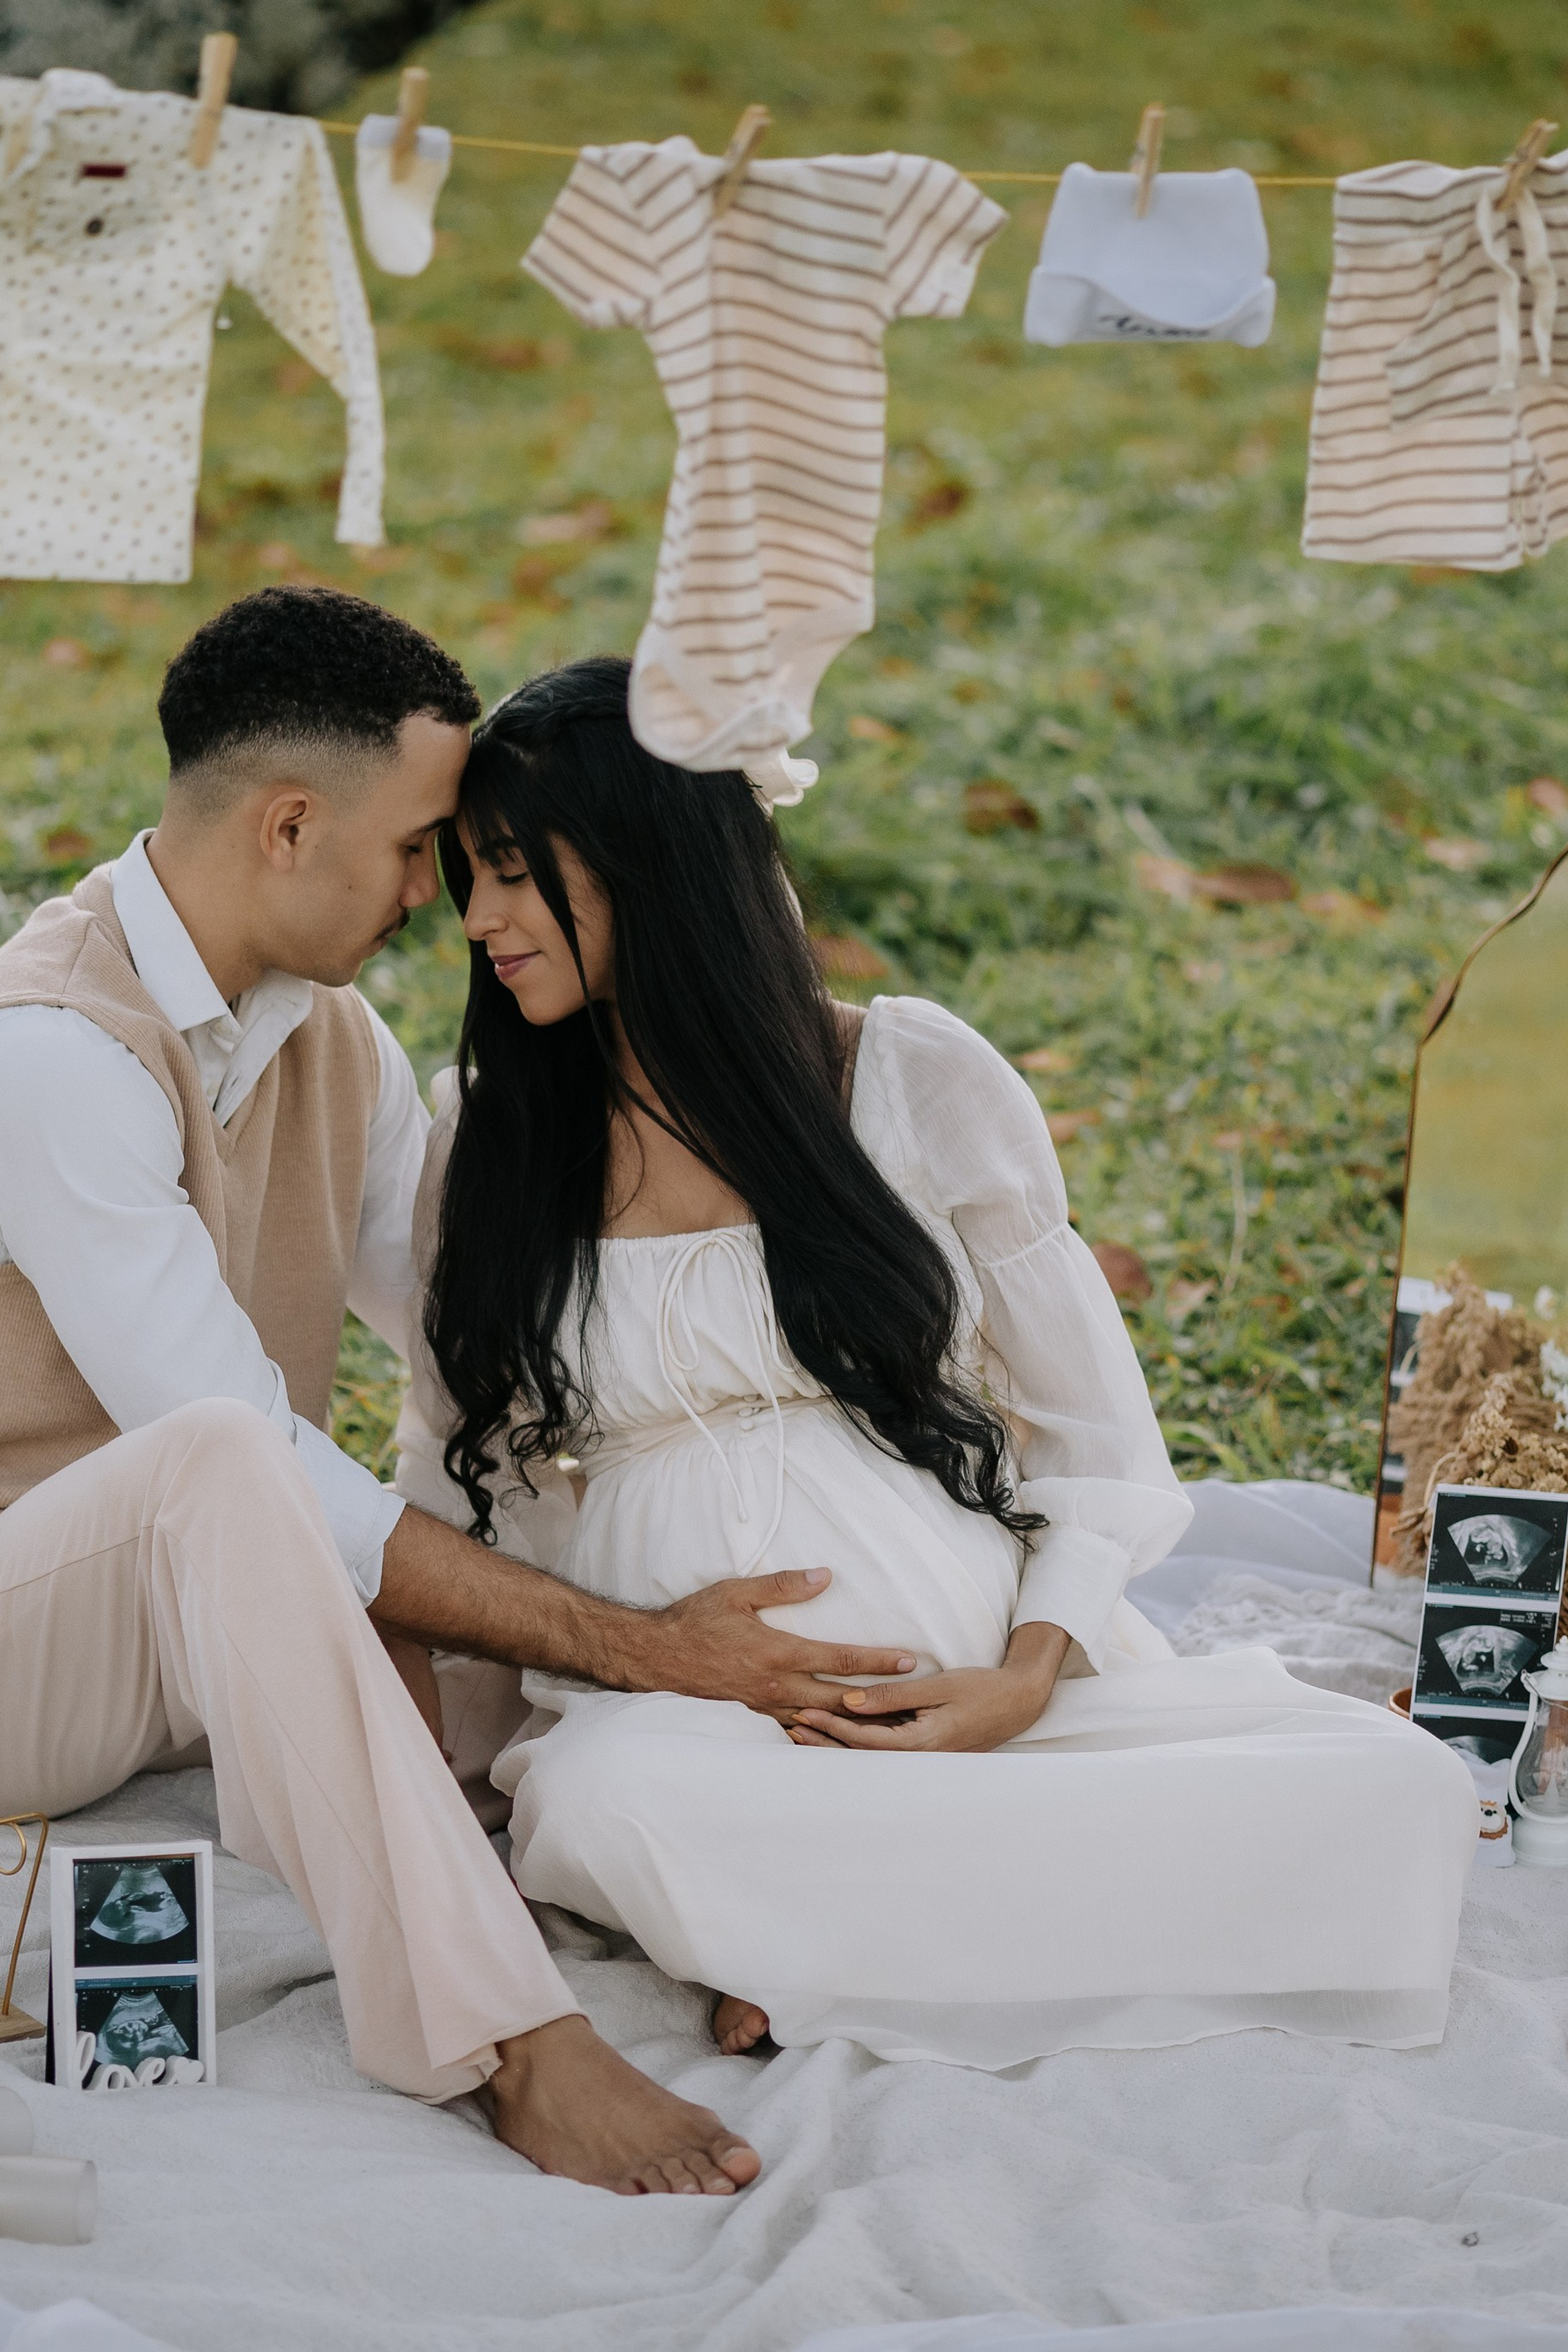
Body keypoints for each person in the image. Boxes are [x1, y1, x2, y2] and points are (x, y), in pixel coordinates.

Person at [401, 655, 1480, 2070]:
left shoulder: (907, 1076)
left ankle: (813, 1938)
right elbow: (460, 1483)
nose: (476, 919)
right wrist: (464, 1766)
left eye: (511, 874)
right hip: (675, 1714)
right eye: (467, 877)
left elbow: (1092, 1432)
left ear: (647, 866)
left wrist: (1022, 1679)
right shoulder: (485, 1137)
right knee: (601, 1810)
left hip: (971, 1688)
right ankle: (866, 1922)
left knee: (1391, 1795)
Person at [0, 589, 922, 2196]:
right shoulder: (53, 1056)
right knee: (247, 1468)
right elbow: (253, 1466)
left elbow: (487, 1360)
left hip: (199, 1626)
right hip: (33, 1639)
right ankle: (510, 2041)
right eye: (423, 847)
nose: (442, 899)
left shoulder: (333, 1039)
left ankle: (721, 1891)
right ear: (292, 826)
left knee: (486, 1556)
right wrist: (638, 1644)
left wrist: (739, 1525)